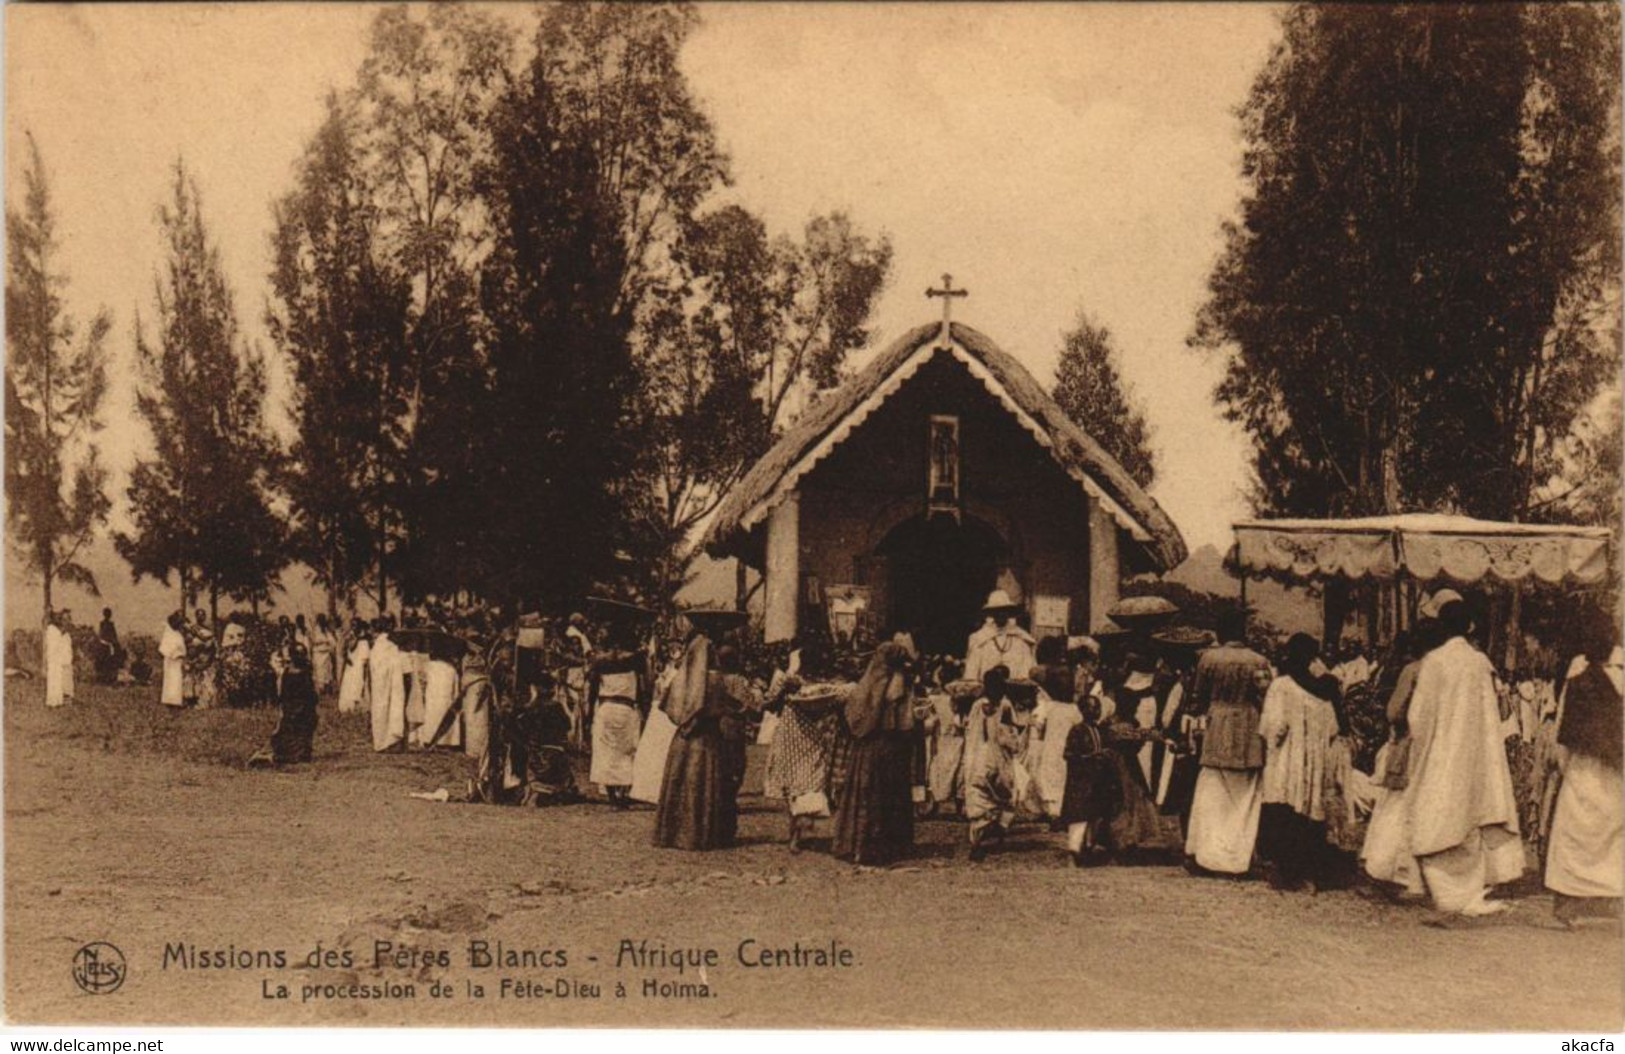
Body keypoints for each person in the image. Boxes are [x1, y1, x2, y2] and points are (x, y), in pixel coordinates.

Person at [1403, 595, 1523, 916]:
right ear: (1469, 627)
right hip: (1478, 753)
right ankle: (1472, 891)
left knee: (1438, 812)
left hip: (1443, 750)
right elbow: (1497, 711)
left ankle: (1447, 893)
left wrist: (1425, 745)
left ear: (1442, 626)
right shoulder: (1480, 663)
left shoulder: (1435, 661)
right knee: (1473, 813)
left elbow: (1419, 717)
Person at [653, 616, 761, 851]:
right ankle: (699, 834)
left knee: (681, 783)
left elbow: (669, 704)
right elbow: (725, 706)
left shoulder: (683, 679)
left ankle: (675, 833)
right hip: (707, 739)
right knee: (704, 786)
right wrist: (747, 707)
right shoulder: (713, 679)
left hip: (683, 739)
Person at [1544, 613, 1622, 926]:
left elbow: (1564, 722)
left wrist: (1560, 762)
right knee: (1613, 832)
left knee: (1573, 833)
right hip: (1615, 765)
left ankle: (1568, 902)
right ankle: (1611, 898)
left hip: (1582, 765)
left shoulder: (1578, 671)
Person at [1183, 611, 1272, 876]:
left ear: (1221, 633)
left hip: (1218, 724)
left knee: (1213, 789)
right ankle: (1238, 856)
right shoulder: (1259, 660)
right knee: (1246, 792)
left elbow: (1197, 698)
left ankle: (1208, 854)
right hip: (1249, 727)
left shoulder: (1208, 658)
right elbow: (1266, 697)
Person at [1256, 633, 1341, 891]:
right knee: (1309, 810)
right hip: (1313, 760)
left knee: (1283, 809)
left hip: (1287, 757)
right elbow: (1333, 728)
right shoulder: (1325, 690)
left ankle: (1285, 871)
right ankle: (1309, 872)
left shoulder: (1282, 685)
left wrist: (1268, 745)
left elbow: (1275, 727)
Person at [831, 640, 917, 866]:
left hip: (867, 746)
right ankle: (885, 846)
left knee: (865, 795)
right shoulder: (900, 683)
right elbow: (906, 721)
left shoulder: (870, 681)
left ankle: (859, 846)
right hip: (890, 745)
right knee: (888, 795)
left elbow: (855, 715)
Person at [762, 640, 842, 850]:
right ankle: (800, 829)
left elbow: (768, 703)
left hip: (791, 737)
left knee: (793, 786)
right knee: (811, 780)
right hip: (813, 738)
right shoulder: (825, 686)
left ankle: (795, 833)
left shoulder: (789, 681)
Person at [588, 618, 651, 808]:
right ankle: (623, 793)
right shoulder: (636, 659)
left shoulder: (599, 661)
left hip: (605, 707)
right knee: (627, 750)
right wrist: (644, 710)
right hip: (626, 707)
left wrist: (589, 714)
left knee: (605, 752)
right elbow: (643, 689)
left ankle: (612, 797)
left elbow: (592, 690)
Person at [252, 642, 319, 766]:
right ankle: (294, 754)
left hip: (299, 711)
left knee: (296, 733)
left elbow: (290, 695)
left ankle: (294, 754)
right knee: (292, 734)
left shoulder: (296, 673)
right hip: (297, 711)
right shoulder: (298, 673)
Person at [963, 591, 1037, 685]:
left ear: (1009, 612)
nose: (1001, 614)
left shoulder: (1021, 639)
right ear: (992, 613)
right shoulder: (979, 639)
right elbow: (971, 675)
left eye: (1004, 610)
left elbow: (1027, 673)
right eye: (997, 611)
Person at [370, 616, 407, 752]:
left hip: (379, 682)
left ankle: (381, 742)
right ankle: (389, 741)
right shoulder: (391, 646)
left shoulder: (376, 646)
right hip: (390, 681)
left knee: (380, 709)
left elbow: (373, 665)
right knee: (391, 708)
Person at [338, 618, 371, 714]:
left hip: (359, 667)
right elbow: (343, 651)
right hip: (351, 667)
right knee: (349, 685)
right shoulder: (350, 638)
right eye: (352, 625)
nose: (353, 628)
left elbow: (365, 660)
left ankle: (357, 706)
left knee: (358, 685)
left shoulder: (363, 641)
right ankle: (347, 707)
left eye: (355, 625)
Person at [43, 611, 73, 708]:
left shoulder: (64, 634)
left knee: (63, 681)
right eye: (63, 619)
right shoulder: (53, 631)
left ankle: (62, 700)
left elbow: (66, 649)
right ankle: (54, 701)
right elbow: (52, 647)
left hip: (62, 661)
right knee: (54, 680)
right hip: (55, 661)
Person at [159, 612, 187, 708]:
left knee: (177, 680)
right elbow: (166, 648)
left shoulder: (177, 634)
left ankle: (176, 700)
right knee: (171, 680)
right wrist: (175, 654)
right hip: (171, 660)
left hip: (178, 661)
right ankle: (170, 701)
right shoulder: (169, 634)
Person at [95, 607, 124, 685]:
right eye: (107, 614)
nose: (108, 615)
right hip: (105, 644)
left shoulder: (109, 624)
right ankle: (104, 677)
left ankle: (109, 677)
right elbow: (104, 635)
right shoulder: (104, 624)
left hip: (108, 643)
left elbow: (113, 635)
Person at [310, 613, 337, 695]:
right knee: (319, 671)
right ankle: (319, 689)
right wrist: (324, 641)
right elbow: (314, 641)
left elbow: (333, 642)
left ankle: (326, 689)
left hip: (326, 654)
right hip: (318, 654)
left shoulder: (326, 631)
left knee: (327, 671)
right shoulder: (315, 630)